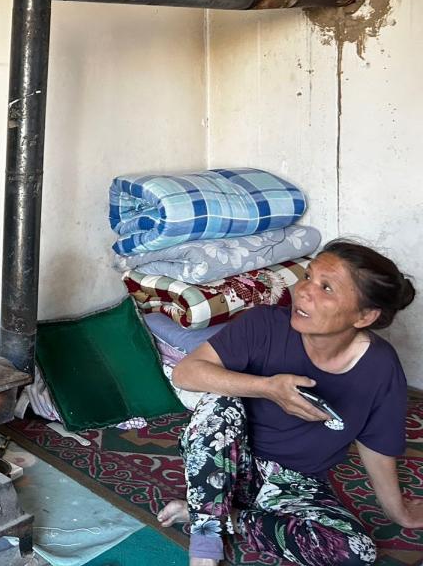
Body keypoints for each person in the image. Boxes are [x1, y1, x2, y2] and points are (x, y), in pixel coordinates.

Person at [159, 239, 420, 566]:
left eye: (326, 288)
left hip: (297, 483)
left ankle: (218, 514)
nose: (303, 290)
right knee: (219, 400)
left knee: (357, 552)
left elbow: (376, 444)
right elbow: (186, 373)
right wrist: (267, 388)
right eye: (308, 276)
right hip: (229, 464)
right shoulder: (264, 324)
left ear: (365, 316)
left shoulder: (380, 367)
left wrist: (399, 513)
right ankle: (206, 539)